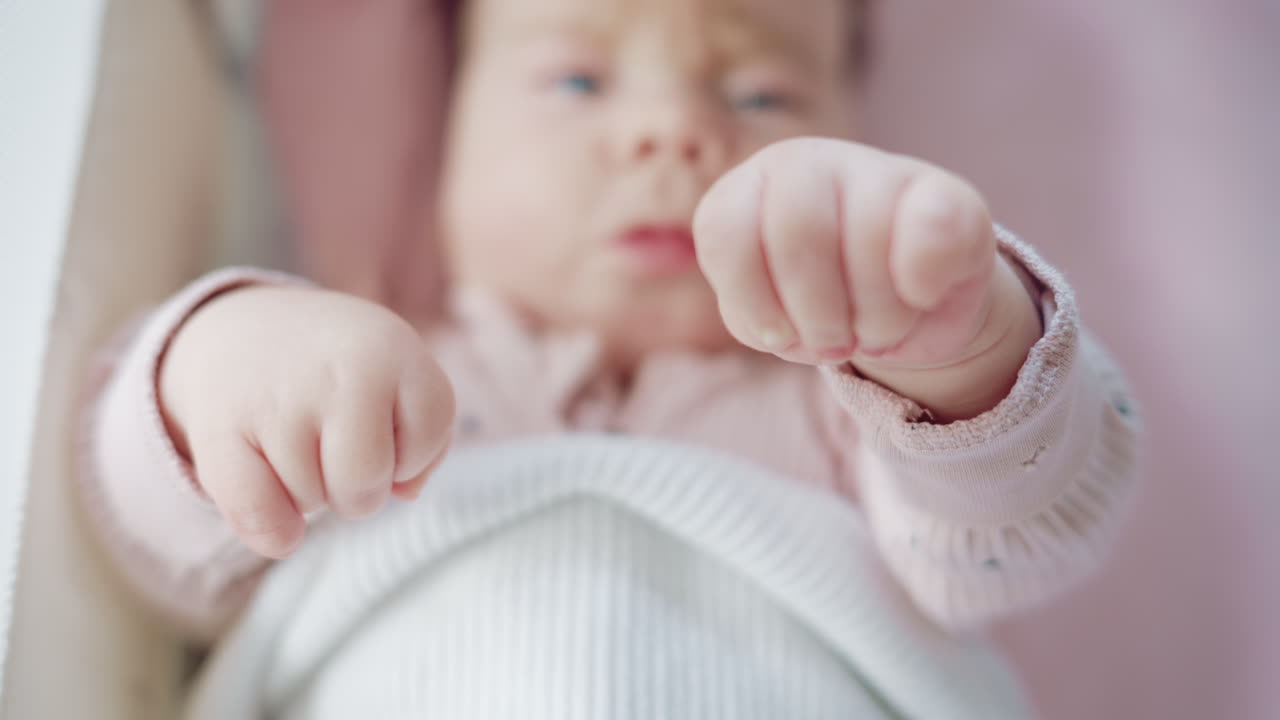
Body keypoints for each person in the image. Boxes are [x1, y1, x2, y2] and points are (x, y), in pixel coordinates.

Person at [81, 0, 1139, 715]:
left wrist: (965, 354)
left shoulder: (849, 410)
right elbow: (159, 554)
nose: (672, 131)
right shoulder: (365, 373)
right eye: (578, 82)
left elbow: (1022, 536)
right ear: (435, 138)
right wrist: (214, 372)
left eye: (762, 95)